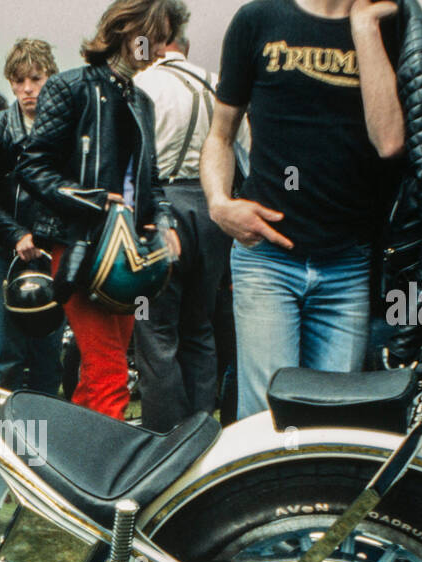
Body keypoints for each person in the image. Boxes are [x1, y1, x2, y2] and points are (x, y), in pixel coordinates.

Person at [205, 0, 422, 419]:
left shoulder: (389, 26)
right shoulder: (258, 19)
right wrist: (218, 204)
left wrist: (364, 27)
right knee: (266, 419)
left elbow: (390, 141)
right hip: (266, 258)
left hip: (347, 263)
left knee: (337, 420)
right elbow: (220, 135)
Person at [16, 0, 181, 420]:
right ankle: (107, 475)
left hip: (126, 255)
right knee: (108, 372)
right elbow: (31, 167)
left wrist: (164, 222)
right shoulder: (70, 86)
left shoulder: (141, 99)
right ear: (129, 29)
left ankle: (75, 465)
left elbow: (152, 180)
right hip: (80, 246)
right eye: (157, 38)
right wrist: (92, 199)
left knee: (99, 372)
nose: (161, 49)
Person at [132, 11, 232, 432]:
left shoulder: (142, 84)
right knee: (200, 327)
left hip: (161, 209)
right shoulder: (216, 82)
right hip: (211, 208)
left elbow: (135, 160)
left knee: (155, 335)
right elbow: (239, 151)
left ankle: (165, 438)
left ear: (155, 45)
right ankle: (202, 430)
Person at [0, 38, 65, 395]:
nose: (27, 89)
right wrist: (16, 235)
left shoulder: (66, 125)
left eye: (35, 78)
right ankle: (3, 434)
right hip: (9, 249)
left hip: (53, 247)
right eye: (19, 81)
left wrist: (47, 235)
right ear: (10, 82)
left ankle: (46, 431)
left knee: (49, 348)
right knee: (10, 351)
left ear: (50, 76)